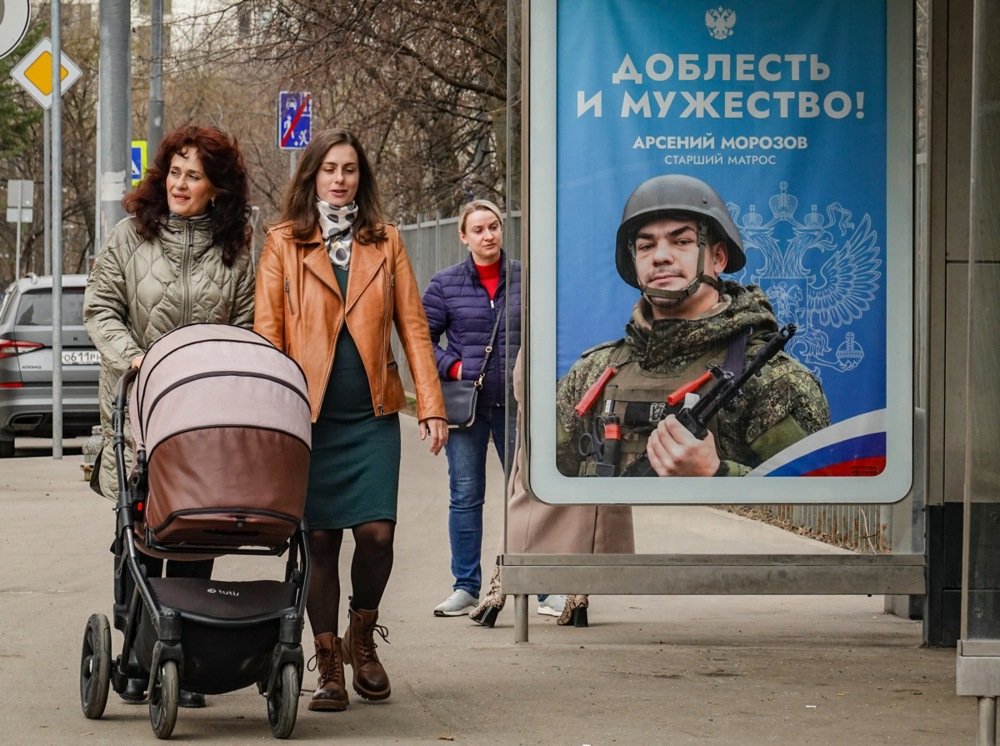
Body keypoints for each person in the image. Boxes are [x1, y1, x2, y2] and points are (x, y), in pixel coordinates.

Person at [253, 127, 448, 713]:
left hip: (370, 415)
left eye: (350, 170)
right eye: (330, 169)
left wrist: (431, 405)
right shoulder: (283, 243)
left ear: (361, 179)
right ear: (312, 176)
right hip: (307, 417)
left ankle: (364, 635)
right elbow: (268, 334)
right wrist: (270, 417)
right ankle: (329, 660)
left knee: (377, 535)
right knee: (318, 540)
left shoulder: (385, 242)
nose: (340, 179)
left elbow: (413, 326)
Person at [84, 124, 256, 708]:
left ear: (216, 188)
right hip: (137, 407)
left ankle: (187, 652)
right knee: (138, 528)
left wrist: (227, 368)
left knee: (194, 527)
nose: (182, 184)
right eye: (176, 172)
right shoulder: (130, 237)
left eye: (196, 176)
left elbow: (251, 325)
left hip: (205, 412)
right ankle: (136, 655)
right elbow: (100, 306)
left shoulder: (235, 251)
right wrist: (133, 358)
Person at [555, 173, 830, 480]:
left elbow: (816, 507)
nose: (660, 257)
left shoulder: (773, 380)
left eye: (681, 241)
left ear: (719, 258)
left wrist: (717, 474)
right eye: (646, 246)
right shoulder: (591, 375)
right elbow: (545, 492)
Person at [469, 350, 635, 627]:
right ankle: (578, 595)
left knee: (531, 492)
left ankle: (499, 590)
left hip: (553, 375)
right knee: (591, 494)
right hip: (606, 379)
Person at [421, 200, 521, 618]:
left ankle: (540, 582)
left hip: (517, 404)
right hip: (469, 408)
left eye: (494, 227)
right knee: (466, 496)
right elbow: (421, 341)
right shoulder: (445, 285)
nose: (488, 235)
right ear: (464, 237)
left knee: (529, 494)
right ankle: (466, 586)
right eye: (478, 229)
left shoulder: (525, 280)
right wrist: (453, 365)